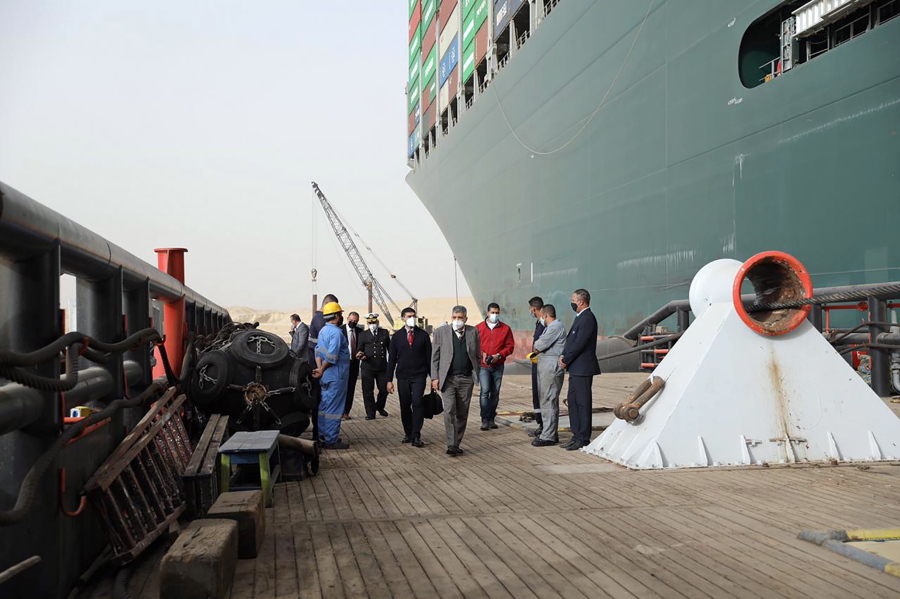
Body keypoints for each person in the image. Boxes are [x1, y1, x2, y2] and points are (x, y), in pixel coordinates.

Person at [431, 305, 481, 456]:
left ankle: (457, 442)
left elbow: (477, 354)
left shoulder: (473, 332)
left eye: (460, 318)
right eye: (454, 318)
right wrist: (435, 377)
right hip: (448, 379)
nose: (457, 320)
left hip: (466, 379)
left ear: (466, 318)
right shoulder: (441, 332)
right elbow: (435, 357)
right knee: (449, 410)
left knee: (462, 412)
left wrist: (475, 373)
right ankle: (451, 444)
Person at [560, 289, 601, 450]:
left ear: (581, 302)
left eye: (573, 299)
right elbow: (572, 341)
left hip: (583, 368)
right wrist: (564, 356)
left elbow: (580, 343)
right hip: (575, 368)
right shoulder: (580, 318)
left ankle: (583, 437)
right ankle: (576, 434)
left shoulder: (587, 318)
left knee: (583, 403)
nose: (571, 302)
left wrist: (565, 359)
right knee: (573, 402)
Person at [387, 307, 432, 447]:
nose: (412, 318)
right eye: (409, 316)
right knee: (405, 404)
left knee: (417, 403)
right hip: (403, 376)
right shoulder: (397, 337)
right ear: (403, 319)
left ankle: (417, 434)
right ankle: (408, 432)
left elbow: (429, 358)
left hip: (419, 375)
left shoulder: (423, 335)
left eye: (414, 316)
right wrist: (389, 380)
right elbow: (392, 359)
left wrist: (434, 378)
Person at [312, 301, 351, 450]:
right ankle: (331, 440)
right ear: (336, 315)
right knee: (334, 409)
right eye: (340, 314)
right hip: (336, 376)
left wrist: (319, 368)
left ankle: (322, 436)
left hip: (326, 377)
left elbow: (317, 351)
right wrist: (322, 369)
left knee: (324, 407)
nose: (341, 316)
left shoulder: (322, 331)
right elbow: (332, 356)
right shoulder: (336, 333)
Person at [530, 304, 566, 446]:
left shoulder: (555, 327)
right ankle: (549, 432)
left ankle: (548, 436)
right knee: (546, 400)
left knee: (549, 400)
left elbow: (538, 345)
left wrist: (538, 346)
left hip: (551, 368)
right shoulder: (551, 327)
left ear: (544, 315)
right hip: (546, 367)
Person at [475, 302, 515, 431]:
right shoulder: (479, 328)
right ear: (487, 313)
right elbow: (472, 346)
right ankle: (485, 419)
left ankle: (492, 418)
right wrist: (483, 354)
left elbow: (510, 347)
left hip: (498, 365)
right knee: (485, 391)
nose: (495, 315)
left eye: (497, 313)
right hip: (483, 366)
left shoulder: (505, 329)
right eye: (492, 312)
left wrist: (499, 355)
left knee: (495, 393)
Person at [357, 312, 390, 420]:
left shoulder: (384, 333)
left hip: (382, 367)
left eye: (374, 322)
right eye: (370, 322)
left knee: (384, 389)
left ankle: (379, 407)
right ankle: (370, 413)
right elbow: (359, 349)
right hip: (368, 367)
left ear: (377, 322)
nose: (372, 324)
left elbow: (390, 349)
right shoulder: (363, 335)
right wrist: (360, 354)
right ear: (367, 323)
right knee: (367, 391)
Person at [527, 297, 544, 437]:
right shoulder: (539, 323)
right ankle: (540, 423)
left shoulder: (544, 324)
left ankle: (545, 426)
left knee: (542, 394)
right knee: (536, 394)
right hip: (536, 363)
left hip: (541, 364)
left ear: (533, 309)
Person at [341, 311, 363, 420]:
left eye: (355, 321)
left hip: (354, 364)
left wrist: (361, 353)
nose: (353, 322)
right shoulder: (340, 330)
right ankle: (339, 410)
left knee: (350, 388)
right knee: (341, 388)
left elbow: (362, 346)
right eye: (351, 320)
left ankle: (346, 411)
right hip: (342, 364)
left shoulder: (360, 332)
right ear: (347, 319)